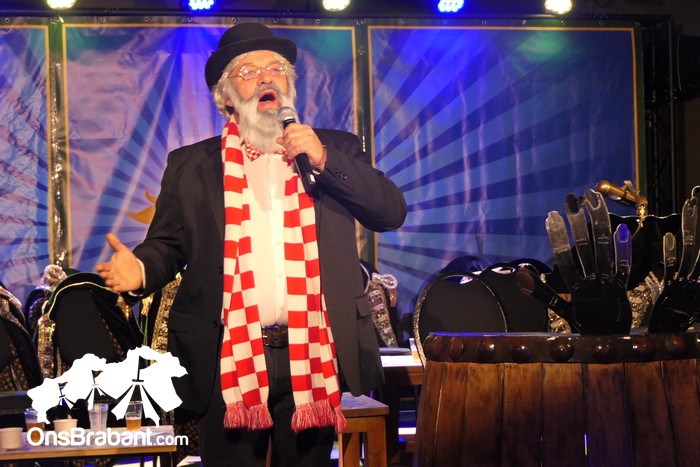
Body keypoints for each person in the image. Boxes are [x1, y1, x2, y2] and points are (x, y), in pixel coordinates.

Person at [96, 22, 407, 466]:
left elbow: (390, 212)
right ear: (227, 98)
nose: (265, 78)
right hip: (226, 354)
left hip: (315, 351)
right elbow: (167, 244)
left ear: (289, 87)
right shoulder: (191, 165)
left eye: (276, 69)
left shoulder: (332, 149)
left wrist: (323, 158)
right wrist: (141, 269)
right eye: (249, 71)